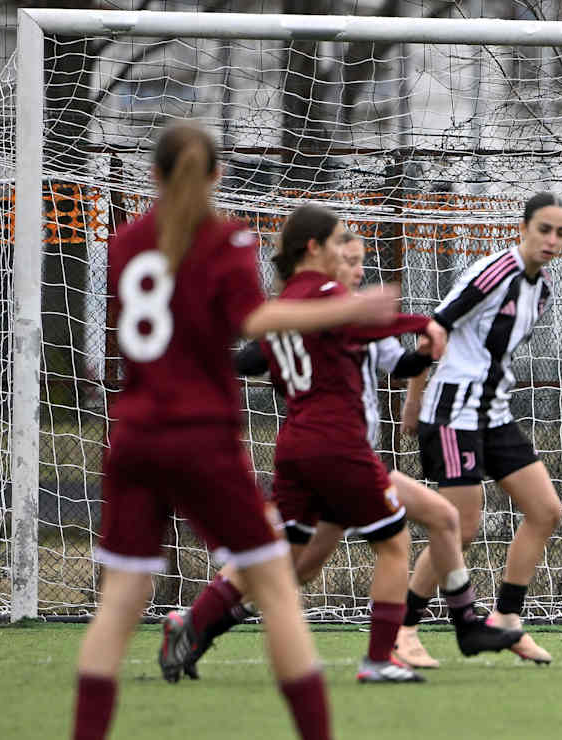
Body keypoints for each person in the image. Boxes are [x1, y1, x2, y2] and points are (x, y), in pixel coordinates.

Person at [73, 121, 396, 739]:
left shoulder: (123, 243)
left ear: (153, 174)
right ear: (219, 175)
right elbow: (253, 319)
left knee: (119, 602)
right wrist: (351, 307)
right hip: (202, 439)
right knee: (276, 584)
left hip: (134, 437)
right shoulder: (226, 241)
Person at [184, 231, 520, 674]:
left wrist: (420, 355)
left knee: (435, 521)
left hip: (341, 454)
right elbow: (255, 355)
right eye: (351, 260)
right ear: (321, 257)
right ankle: (396, 651)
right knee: (384, 541)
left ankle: (465, 624)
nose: (360, 270)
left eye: (361, 261)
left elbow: (397, 364)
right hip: (338, 454)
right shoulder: (326, 310)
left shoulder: (344, 312)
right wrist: (421, 323)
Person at [394, 192, 562, 668]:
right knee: (460, 528)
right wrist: (415, 397)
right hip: (454, 411)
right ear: (524, 229)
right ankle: (403, 630)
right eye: (544, 230)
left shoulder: (542, 289)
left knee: (545, 510)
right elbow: (433, 328)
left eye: (561, 233)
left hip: (493, 412)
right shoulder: (494, 273)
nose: (552, 240)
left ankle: (506, 619)